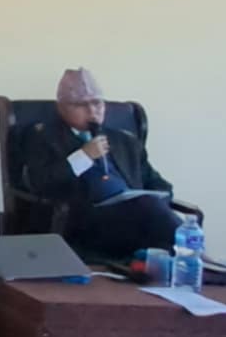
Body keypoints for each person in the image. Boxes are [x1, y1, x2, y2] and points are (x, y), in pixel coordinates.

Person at [21, 67, 183, 258]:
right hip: (84, 220)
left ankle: (188, 261)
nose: (92, 111)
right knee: (151, 212)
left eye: (97, 103)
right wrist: (84, 156)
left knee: (155, 220)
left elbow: (159, 184)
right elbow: (40, 182)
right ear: (62, 108)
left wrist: (158, 201)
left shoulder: (125, 141)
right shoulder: (43, 137)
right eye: (81, 105)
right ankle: (198, 257)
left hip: (135, 216)